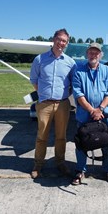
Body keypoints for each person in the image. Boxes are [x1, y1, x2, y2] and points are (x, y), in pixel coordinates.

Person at [29, 28, 77, 179]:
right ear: (53, 39)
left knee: (61, 136)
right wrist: (45, 94)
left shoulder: (70, 62)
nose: (61, 43)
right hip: (44, 104)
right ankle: (38, 164)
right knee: (41, 136)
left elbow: (74, 84)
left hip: (63, 104)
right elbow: (34, 81)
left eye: (64, 41)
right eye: (59, 39)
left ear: (66, 44)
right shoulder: (40, 59)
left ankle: (60, 162)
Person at [71, 42, 108, 185]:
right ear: (87, 54)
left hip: (104, 116)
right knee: (81, 143)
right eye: (91, 52)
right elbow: (78, 94)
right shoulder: (78, 71)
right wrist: (92, 110)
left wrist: (100, 109)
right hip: (85, 116)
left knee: (107, 143)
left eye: (96, 52)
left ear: (101, 55)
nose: (93, 55)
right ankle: (80, 170)